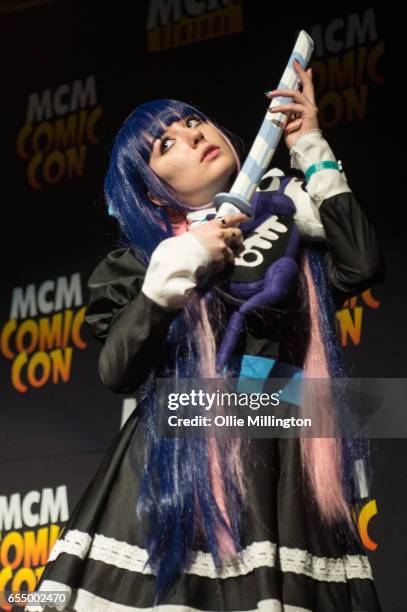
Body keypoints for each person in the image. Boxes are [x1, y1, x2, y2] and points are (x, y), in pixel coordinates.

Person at [26, 61, 385, 611]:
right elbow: (118, 371)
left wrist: (309, 143)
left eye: (195, 123)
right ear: (150, 191)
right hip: (177, 475)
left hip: (281, 462)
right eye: (166, 144)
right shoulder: (142, 264)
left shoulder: (291, 229)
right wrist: (182, 268)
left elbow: (361, 265)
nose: (193, 136)